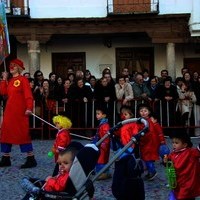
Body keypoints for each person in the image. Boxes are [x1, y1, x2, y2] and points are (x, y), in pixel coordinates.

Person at [0, 58, 37, 168]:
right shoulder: (10, 81)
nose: (11, 67)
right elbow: (3, 92)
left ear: (19, 68)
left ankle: (31, 158)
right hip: (9, 113)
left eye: (14, 66)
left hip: (20, 113)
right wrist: (3, 79)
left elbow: (28, 95)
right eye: (10, 65)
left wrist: (29, 107)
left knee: (22, 134)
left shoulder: (23, 80)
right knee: (5, 134)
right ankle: (6, 158)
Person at [163, 129, 200, 200]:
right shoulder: (173, 154)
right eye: (173, 142)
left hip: (188, 184)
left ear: (185, 144)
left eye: (176, 143)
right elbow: (169, 165)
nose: (173, 144)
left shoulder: (191, 152)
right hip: (177, 183)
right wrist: (165, 162)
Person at [137, 104, 160, 180]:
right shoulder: (143, 121)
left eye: (145, 111)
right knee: (146, 158)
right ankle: (150, 171)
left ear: (149, 112)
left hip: (148, 143)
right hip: (145, 143)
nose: (143, 112)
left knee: (148, 158)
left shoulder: (147, 122)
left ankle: (152, 172)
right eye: (141, 111)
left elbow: (149, 133)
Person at [93, 106, 111, 180]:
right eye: (96, 114)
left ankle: (103, 173)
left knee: (101, 159)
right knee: (100, 158)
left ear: (104, 115)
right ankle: (103, 172)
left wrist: (103, 144)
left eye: (98, 114)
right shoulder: (102, 124)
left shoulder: (105, 125)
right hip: (100, 145)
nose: (97, 115)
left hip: (103, 146)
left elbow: (106, 137)